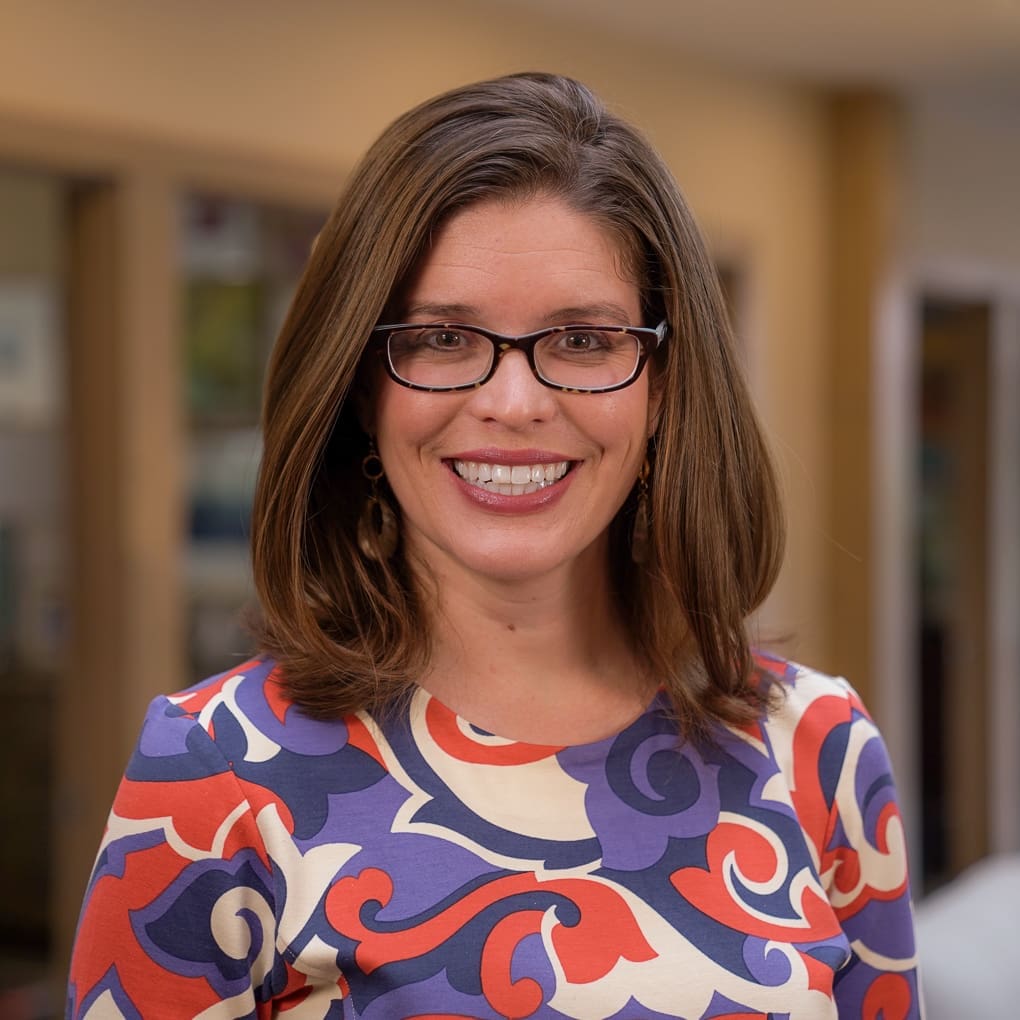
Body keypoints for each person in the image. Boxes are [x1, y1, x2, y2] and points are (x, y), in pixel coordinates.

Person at [67, 72, 921, 1019]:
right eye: (440, 338)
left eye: (584, 341)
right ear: (360, 387)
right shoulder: (213, 772)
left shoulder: (819, 748)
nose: (514, 403)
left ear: (665, 387)